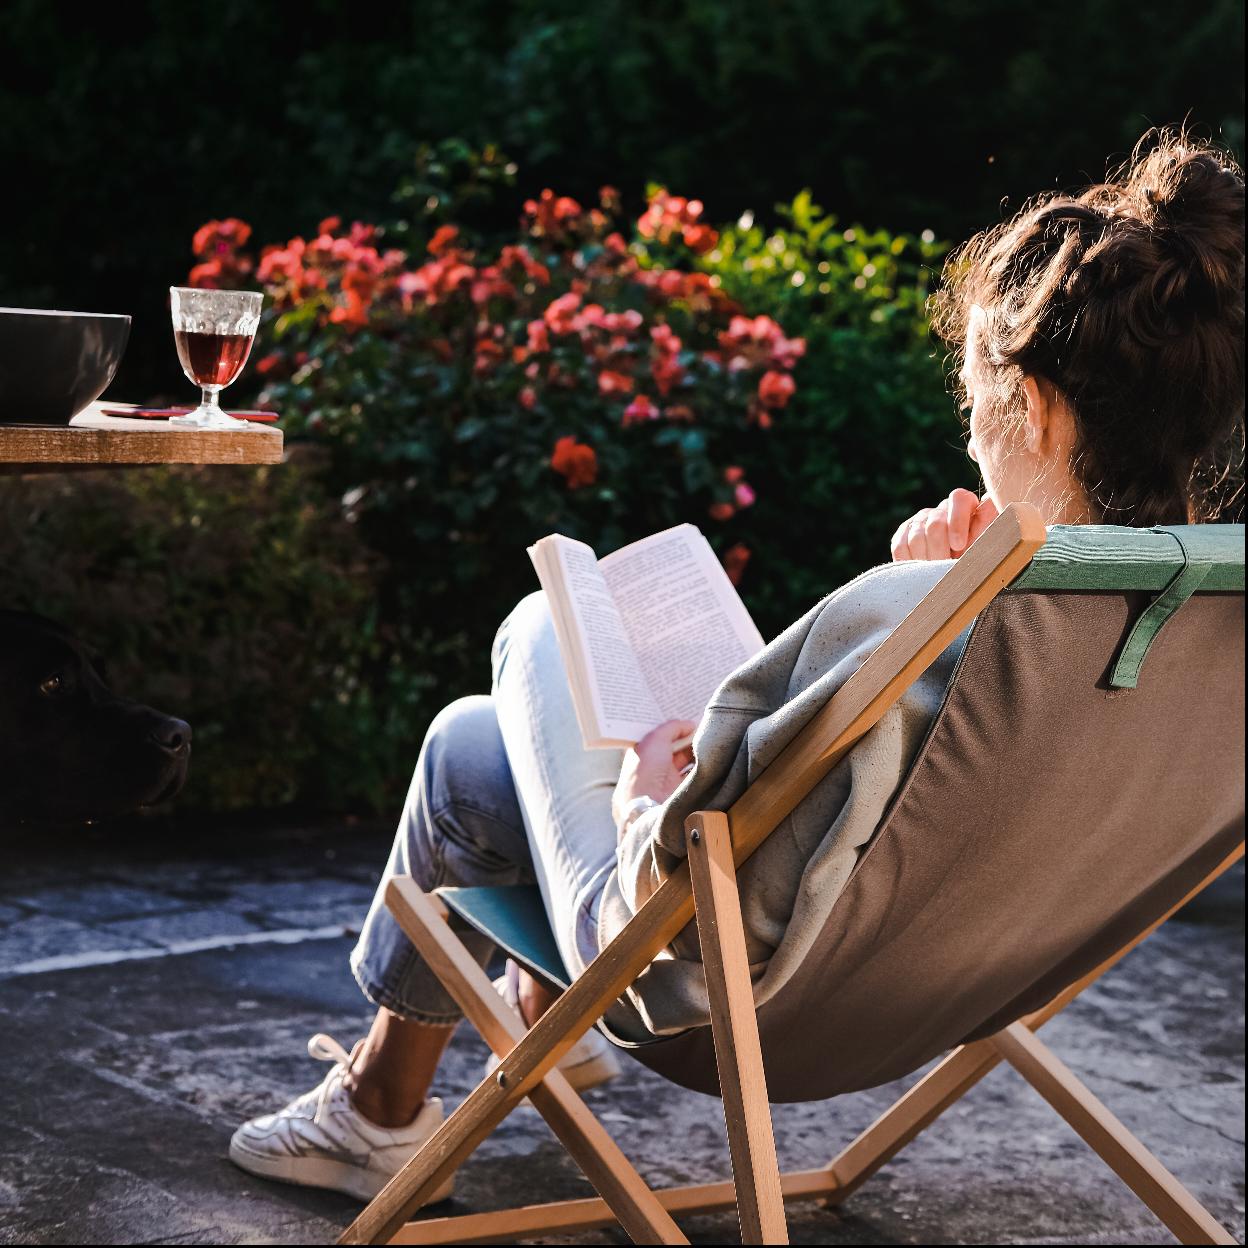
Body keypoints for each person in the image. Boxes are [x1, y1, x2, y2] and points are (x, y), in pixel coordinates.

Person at [229, 129, 1244, 1202]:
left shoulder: (941, 620)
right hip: (972, 985)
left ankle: (392, 1104)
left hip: (736, 1017)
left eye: (975, 403)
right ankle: (483, 1046)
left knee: (520, 655)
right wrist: (944, 595)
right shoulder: (1207, 622)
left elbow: (698, 888)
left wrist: (640, 796)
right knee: (482, 753)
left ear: (1031, 403)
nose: (973, 436)